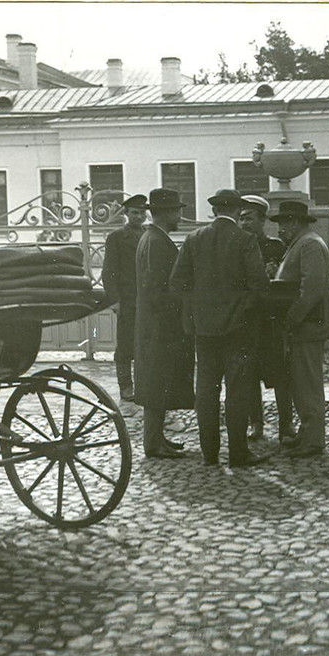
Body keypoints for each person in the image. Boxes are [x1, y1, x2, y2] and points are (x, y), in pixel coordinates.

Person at [169, 188, 270, 468]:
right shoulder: (246, 240)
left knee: (206, 391)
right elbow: (260, 285)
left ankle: (209, 455)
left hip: (203, 331)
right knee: (237, 391)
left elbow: (177, 284)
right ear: (238, 211)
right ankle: (238, 453)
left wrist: (195, 312)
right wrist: (241, 309)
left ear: (214, 211)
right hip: (239, 330)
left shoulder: (194, 239)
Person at [271, 199, 329, 458]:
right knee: (300, 382)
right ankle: (307, 432)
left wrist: (291, 319)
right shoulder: (302, 243)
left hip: (308, 325)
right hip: (304, 325)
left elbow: (310, 290)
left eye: (284, 223)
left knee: (308, 383)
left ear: (297, 222)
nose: (280, 230)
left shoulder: (309, 244)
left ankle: (313, 439)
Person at [134, 188, 195, 459]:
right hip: (160, 325)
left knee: (156, 382)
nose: (180, 215)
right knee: (156, 384)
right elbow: (159, 288)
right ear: (168, 212)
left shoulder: (152, 238)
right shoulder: (157, 242)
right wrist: (178, 309)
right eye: (178, 210)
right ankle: (153, 443)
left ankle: (157, 438)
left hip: (154, 323)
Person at [238, 194, 294, 443]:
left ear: (262, 221)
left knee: (281, 375)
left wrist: (275, 274)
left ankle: (286, 426)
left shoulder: (276, 247)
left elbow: (289, 283)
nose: (244, 223)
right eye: (241, 218)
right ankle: (255, 423)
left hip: (272, 321)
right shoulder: (236, 247)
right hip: (247, 320)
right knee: (249, 375)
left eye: (249, 218)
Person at [101, 194, 147, 402]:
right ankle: (125, 386)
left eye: (142, 212)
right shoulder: (117, 237)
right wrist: (115, 301)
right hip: (127, 300)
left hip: (146, 300)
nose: (139, 216)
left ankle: (143, 384)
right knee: (125, 346)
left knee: (145, 344)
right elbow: (109, 271)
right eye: (135, 212)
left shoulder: (149, 234)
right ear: (126, 214)